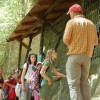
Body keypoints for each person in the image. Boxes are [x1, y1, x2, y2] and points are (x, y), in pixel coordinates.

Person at [63, 4, 98, 100]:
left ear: (73, 12)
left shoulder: (71, 22)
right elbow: (95, 42)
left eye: (69, 13)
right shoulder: (91, 24)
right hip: (87, 57)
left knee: (74, 84)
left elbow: (66, 40)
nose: (69, 15)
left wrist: (75, 42)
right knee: (85, 82)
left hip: (74, 56)